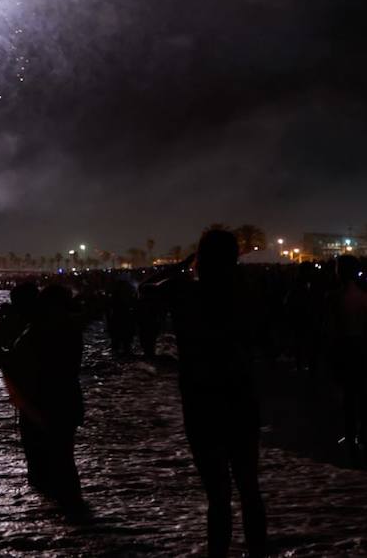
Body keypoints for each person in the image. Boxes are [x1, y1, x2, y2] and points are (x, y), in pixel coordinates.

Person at [144, 230, 267, 558]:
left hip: (201, 398)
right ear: (234, 258)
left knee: (218, 494)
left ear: (200, 257)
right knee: (249, 487)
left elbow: (145, 291)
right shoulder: (245, 294)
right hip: (240, 393)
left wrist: (178, 266)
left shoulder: (183, 292)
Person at [1, 285, 84, 508]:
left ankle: (63, 513)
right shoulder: (66, 327)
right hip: (61, 401)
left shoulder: (45, 330)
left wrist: (5, 359)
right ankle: (69, 514)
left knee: (52, 461)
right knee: (60, 459)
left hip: (46, 404)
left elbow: (36, 366)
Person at [328, 256, 367, 457]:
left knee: (348, 394)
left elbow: (329, 328)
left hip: (344, 347)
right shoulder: (365, 297)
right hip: (362, 346)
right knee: (363, 392)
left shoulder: (334, 297)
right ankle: (363, 432)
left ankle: (350, 433)